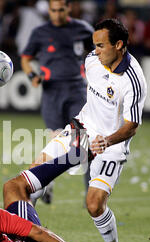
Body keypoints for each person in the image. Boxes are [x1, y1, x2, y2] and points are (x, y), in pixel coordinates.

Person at [27, 18, 147, 242]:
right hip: (81, 130)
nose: (95, 51)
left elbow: (131, 127)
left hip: (112, 145)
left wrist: (107, 141)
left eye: (101, 45)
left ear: (119, 45)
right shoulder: (93, 60)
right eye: (94, 45)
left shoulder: (133, 81)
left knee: (94, 205)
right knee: (32, 177)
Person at [20, 0, 94, 204]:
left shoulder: (83, 30)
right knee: (56, 140)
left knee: (82, 142)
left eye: (61, 9)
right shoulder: (40, 32)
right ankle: (46, 181)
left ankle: (91, 193)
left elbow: (97, 54)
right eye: (54, 10)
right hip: (51, 92)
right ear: (49, 10)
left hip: (77, 91)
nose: (58, 14)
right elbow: (26, 58)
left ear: (69, 8)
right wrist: (31, 76)